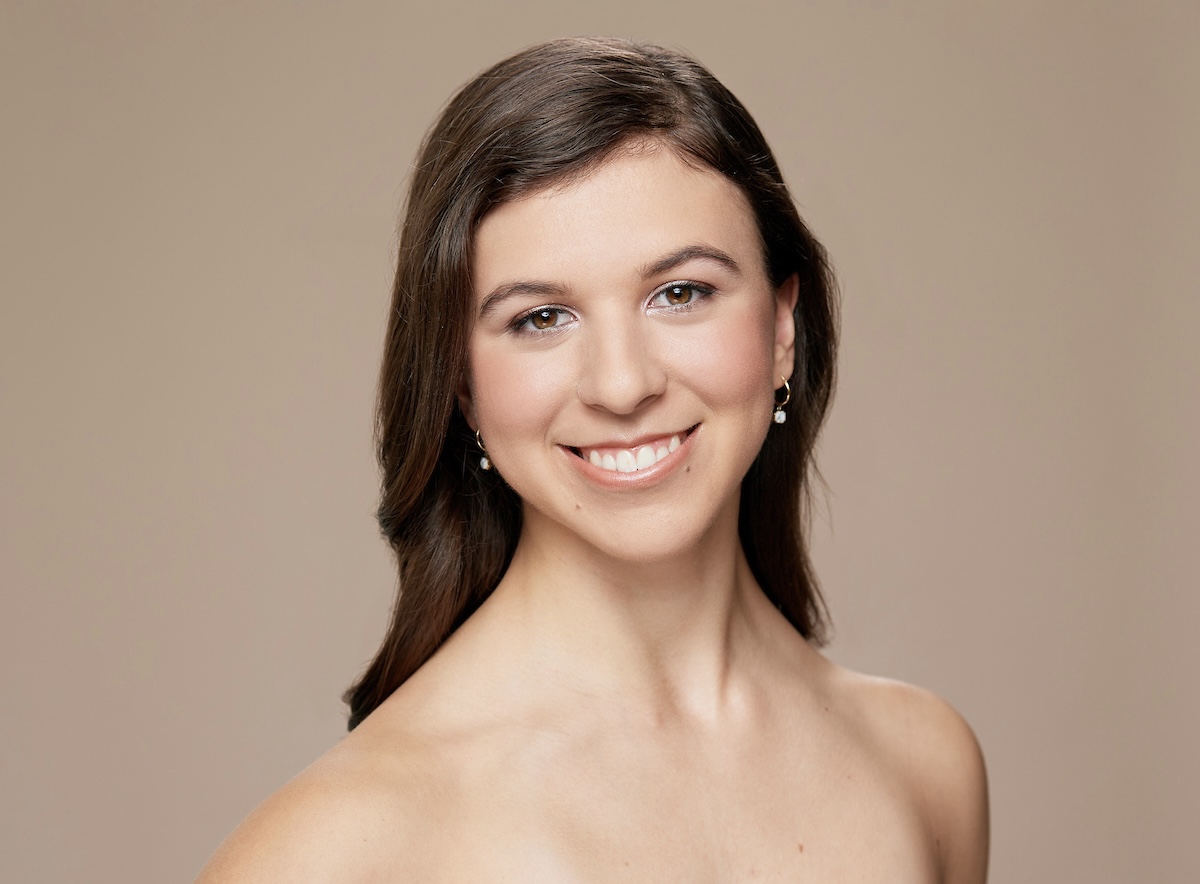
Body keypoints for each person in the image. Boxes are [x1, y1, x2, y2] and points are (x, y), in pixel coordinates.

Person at [197, 37, 988, 882]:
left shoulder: (924, 767)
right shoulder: (331, 852)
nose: (622, 384)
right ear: (460, 382)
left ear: (783, 329)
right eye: (540, 318)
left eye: (680, 293)